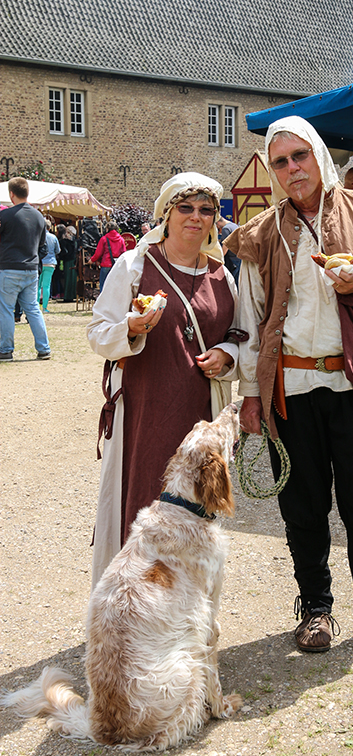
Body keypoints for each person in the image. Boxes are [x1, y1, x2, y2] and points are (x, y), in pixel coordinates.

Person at [225, 116, 353, 657]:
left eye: (300, 156)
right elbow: (251, 314)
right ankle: (315, 608)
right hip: (290, 387)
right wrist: (249, 395)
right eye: (281, 161)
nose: (293, 169)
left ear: (319, 156)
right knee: (302, 504)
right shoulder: (262, 231)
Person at [87, 173, 240, 588]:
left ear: (215, 219)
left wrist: (229, 354)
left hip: (200, 411)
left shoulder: (222, 276)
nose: (196, 218)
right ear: (166, 214)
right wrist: (132, 327)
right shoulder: (135, 265)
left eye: (205, 210)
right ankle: (131, 602)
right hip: (145, 406)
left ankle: (183, 602)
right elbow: (99, 332)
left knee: (194, 509)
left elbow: (241, 336)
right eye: (185, 208)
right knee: (143, 500)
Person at [0, 177, 51, 361]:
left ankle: (5, 350)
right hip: (31, 269)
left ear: (11, 194)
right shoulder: (39, 217)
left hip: (8, 268)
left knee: (5, 309)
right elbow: (43, 247)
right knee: (33, 310)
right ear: (27, 192)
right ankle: (43, 348)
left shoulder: (5, 216)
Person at [90, 220, 127, 291]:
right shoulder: (121, 239)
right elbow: (124, 253)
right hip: (117, 265)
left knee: (103, 285)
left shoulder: (104, 239)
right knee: (116, 285)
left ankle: (104, 301)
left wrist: (92, 260)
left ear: (107, 229)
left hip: (106, 264)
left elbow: (98, 253)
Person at [37, 220, 60, 312]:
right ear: (50, 228)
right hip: (50, 263)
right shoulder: (53, 237)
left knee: (38, 285)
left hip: (40, 262)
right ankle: (45, 307)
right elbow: (58, 250)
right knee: (46, 285)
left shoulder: (39, 236)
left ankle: (37, 306)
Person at [217, 215, 241, 285]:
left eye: (217, 227)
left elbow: (225, 248)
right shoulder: (234, 225)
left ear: (218, 223)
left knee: (230, 283)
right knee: (237, 283)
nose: (218, 229)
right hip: (238, 259)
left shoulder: (226, 229)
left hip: (231, 261)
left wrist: (218, 259)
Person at [60, 224, 78, 302]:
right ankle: (74, 294)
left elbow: (64, 252)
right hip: (74, 261)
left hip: (67, 261)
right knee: (73, 279)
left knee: (67, 279)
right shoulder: (76, 241)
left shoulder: (64, 241)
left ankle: (67, 296)